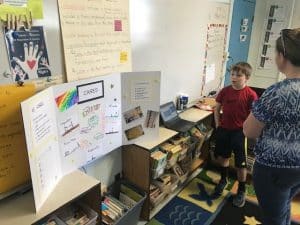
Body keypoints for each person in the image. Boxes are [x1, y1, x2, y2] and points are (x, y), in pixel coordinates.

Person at [243, 28, 300, 225]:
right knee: (284, 204)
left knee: (272, 217)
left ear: (283, 57)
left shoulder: (278, 92)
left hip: (273, 168)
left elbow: (249, 131)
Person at [212, 62, 258, 207]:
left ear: (247, 78)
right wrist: (218, 125)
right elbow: (217, 107)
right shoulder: (225, 91)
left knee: (241, 164)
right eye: (232, 74)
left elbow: (254, 114)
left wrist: (246, 129)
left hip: (239, 133)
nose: (234, 77)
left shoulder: (251, 94)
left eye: (239, 75)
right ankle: (223, 180)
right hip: (224, 130)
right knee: (223, 157)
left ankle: (242, 190)